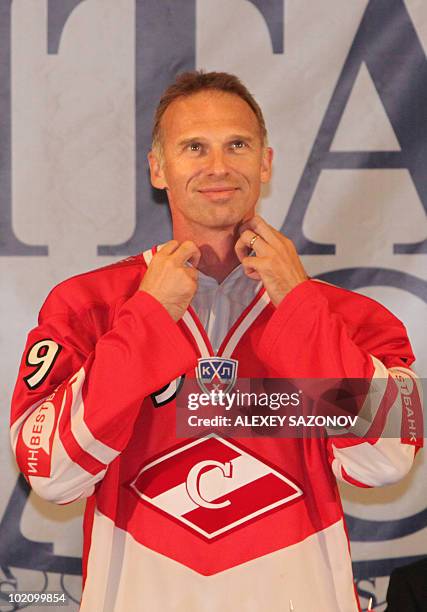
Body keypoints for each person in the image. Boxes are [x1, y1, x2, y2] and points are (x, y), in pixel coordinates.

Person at [10, 71, 423, 612]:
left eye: (237, 145)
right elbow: (50, 474)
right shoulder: (87, 307)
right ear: (158, 168)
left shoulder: (351, 317)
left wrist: (298, 307)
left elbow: (387, 458)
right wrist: (147, 322)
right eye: (194, 148)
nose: (218, 167)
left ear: (266, 163)